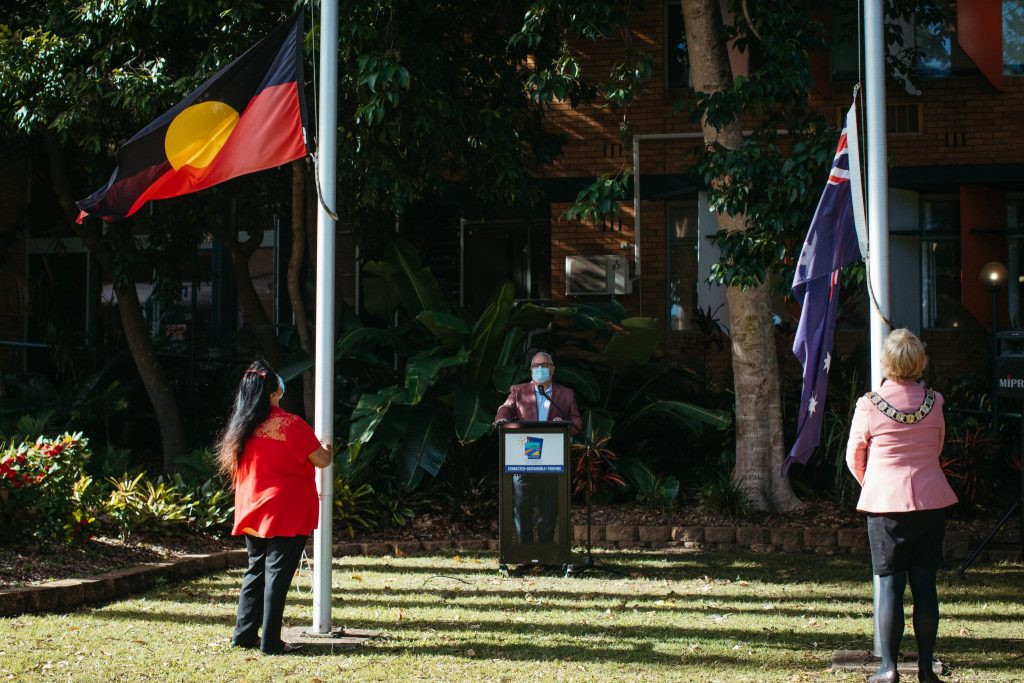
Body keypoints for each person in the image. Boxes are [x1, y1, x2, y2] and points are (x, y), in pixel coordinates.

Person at [845, 329, 957, 683]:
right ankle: (925, 668)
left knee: (890, 586)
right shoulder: (934, 401)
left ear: (886, 362)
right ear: (919, 362)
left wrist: (875, 483)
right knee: (925, 584)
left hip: (886, 505)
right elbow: (937, 445)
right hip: (931, 501)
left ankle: (888, 668)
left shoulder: (869, 403)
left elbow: (854, 456)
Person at [217, 359, 332, 655]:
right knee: (277, 576)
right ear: (273, 392)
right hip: (286, 511)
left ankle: (243, 635)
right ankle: (271, 643)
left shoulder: (241, 427)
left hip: (252, 508)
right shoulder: (289, 424)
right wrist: (328, 447)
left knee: (255, 570)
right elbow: (321, 460)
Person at [494, 351, 582, 544]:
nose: (540, 369)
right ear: (531, 369)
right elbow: (506, 408)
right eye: (536, 366)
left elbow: (576, 421)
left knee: (549, 507)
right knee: (522, 505)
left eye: (545, 365)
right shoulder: (519, 391)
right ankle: (525, 552)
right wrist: (502, 418)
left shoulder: (566, 394)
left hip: (552, 458)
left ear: (552, 369)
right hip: (525, 455)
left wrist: (565, 422)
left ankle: (546, 551)